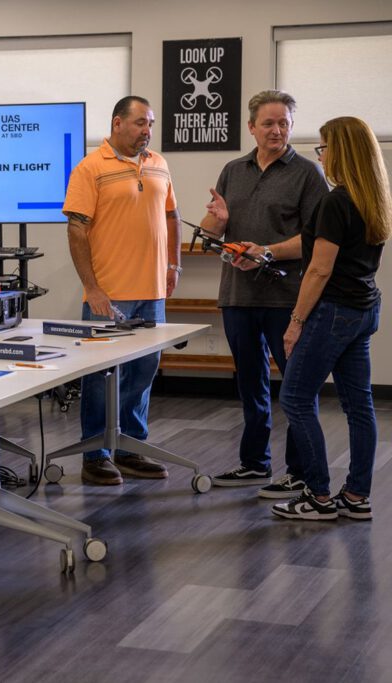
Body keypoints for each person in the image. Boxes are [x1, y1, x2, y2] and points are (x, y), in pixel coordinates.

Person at [204, 91, 329, 497]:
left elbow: (315, 239)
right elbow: (212, 234)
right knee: (251, 384)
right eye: (269, 123)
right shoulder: (232, 170)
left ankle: (299, 471)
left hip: (287, 298)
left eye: (284, 124)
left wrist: (267, 252)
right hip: (238, 295)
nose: (277, 130)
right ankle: (254, 463)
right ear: (251, 127)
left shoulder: (308, 173)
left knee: (296, 388)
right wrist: (218, 221)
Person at [271, 117, 389, 521]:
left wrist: (296, 321)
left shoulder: (336, 201)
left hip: (334, 311)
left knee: (295, 397)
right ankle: (357, 496)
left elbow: (319, 270)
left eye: (324, 147)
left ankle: (318, 496)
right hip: (364, 308)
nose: (320, 155)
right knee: (359, 405)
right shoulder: (374, 198)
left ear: (341, 151)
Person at [62, 96, 181, 486]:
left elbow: (172, 215)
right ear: (117, 123)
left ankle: (130, 448)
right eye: (140, 123)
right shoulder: (90, 168)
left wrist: (173, 265)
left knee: (143, 373)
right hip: (108, 295)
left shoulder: (159, 163)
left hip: (152, 292)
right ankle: (95, 455)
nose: (147, 130)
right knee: (100, 376)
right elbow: (76, 231)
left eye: (151, 124)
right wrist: (91, 287)